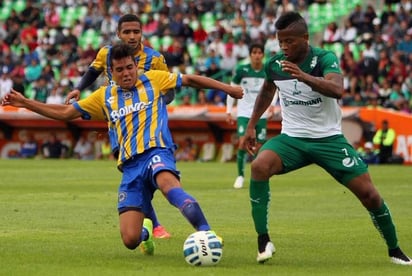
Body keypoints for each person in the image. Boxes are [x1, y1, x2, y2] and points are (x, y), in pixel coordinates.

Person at [2, 43, 243, 255]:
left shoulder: (155, 79)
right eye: (119, 70)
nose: (126, 73)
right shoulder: (104, 96)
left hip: (156, 151)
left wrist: (228, 89)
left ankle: (207, 232)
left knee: (168, 183)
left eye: (129, 67)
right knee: (130, 239)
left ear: (135, 65)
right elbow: (66, 112)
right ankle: (146, 232)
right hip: (129, 167)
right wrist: (25, 103)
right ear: (112, 73)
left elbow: (190, 79)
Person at [242, 12, 411, 265]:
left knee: (370, 195)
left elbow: (338, 89)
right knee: (259, 166)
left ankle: (395, 249)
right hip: (292, 139)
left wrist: (304, 76)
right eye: (281, 43)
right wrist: (251, 126)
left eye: (290, 42)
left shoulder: (324, 59)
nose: (285, 47)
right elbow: (267, 90)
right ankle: (263, 240)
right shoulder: (276, 64)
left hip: (329, 140)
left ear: (306, 38)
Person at [65, 13, 174, 239]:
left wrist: (148, 106)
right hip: (118, 123)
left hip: (145, 123)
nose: (132, 36)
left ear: (142, 32)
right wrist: (78, 88)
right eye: (127, 32)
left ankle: (151, 225)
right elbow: (93, 72)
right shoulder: (106, 54)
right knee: (130, 171)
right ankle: (152, 224)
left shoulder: (155, 59)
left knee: (148, 173)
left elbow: (169, 92)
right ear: (118, 33)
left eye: (136, 31)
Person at [226, 43, 275, 189]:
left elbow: (275, 89)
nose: (257, 55)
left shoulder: (267, 70)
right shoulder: (242, 70)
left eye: (260, 52)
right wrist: (228, 110)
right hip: (244, 113)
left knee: (258, 146)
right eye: (254, 52)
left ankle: (257, 176)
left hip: (262, 113)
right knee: (242, 142)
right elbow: (231, 89)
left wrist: (272, 104)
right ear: (250, 55)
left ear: (263, 55)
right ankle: (240, 176)